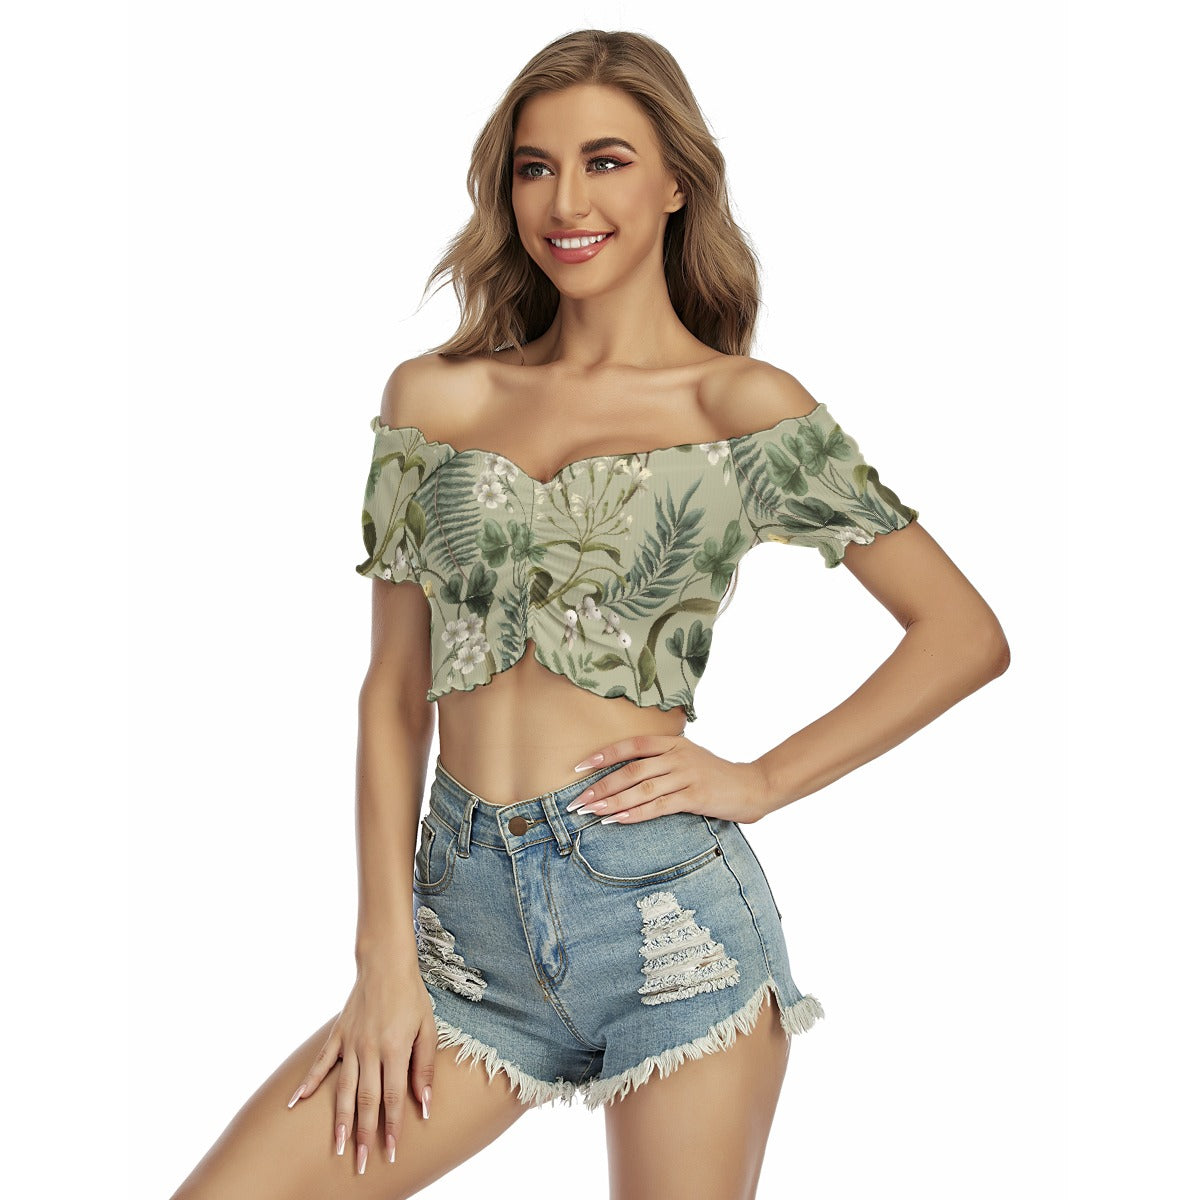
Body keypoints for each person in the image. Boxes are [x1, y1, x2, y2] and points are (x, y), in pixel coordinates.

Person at [171, 28, 1009, 1200]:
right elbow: (393, 692)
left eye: (606, 161)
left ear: (676, 184)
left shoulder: (740, 407)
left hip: (667, 925)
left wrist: (762, 780)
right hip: (459, 939)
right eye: (535, 167)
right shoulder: (438, 398)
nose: (565, 202)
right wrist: (383, 957)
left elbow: (963, 634)